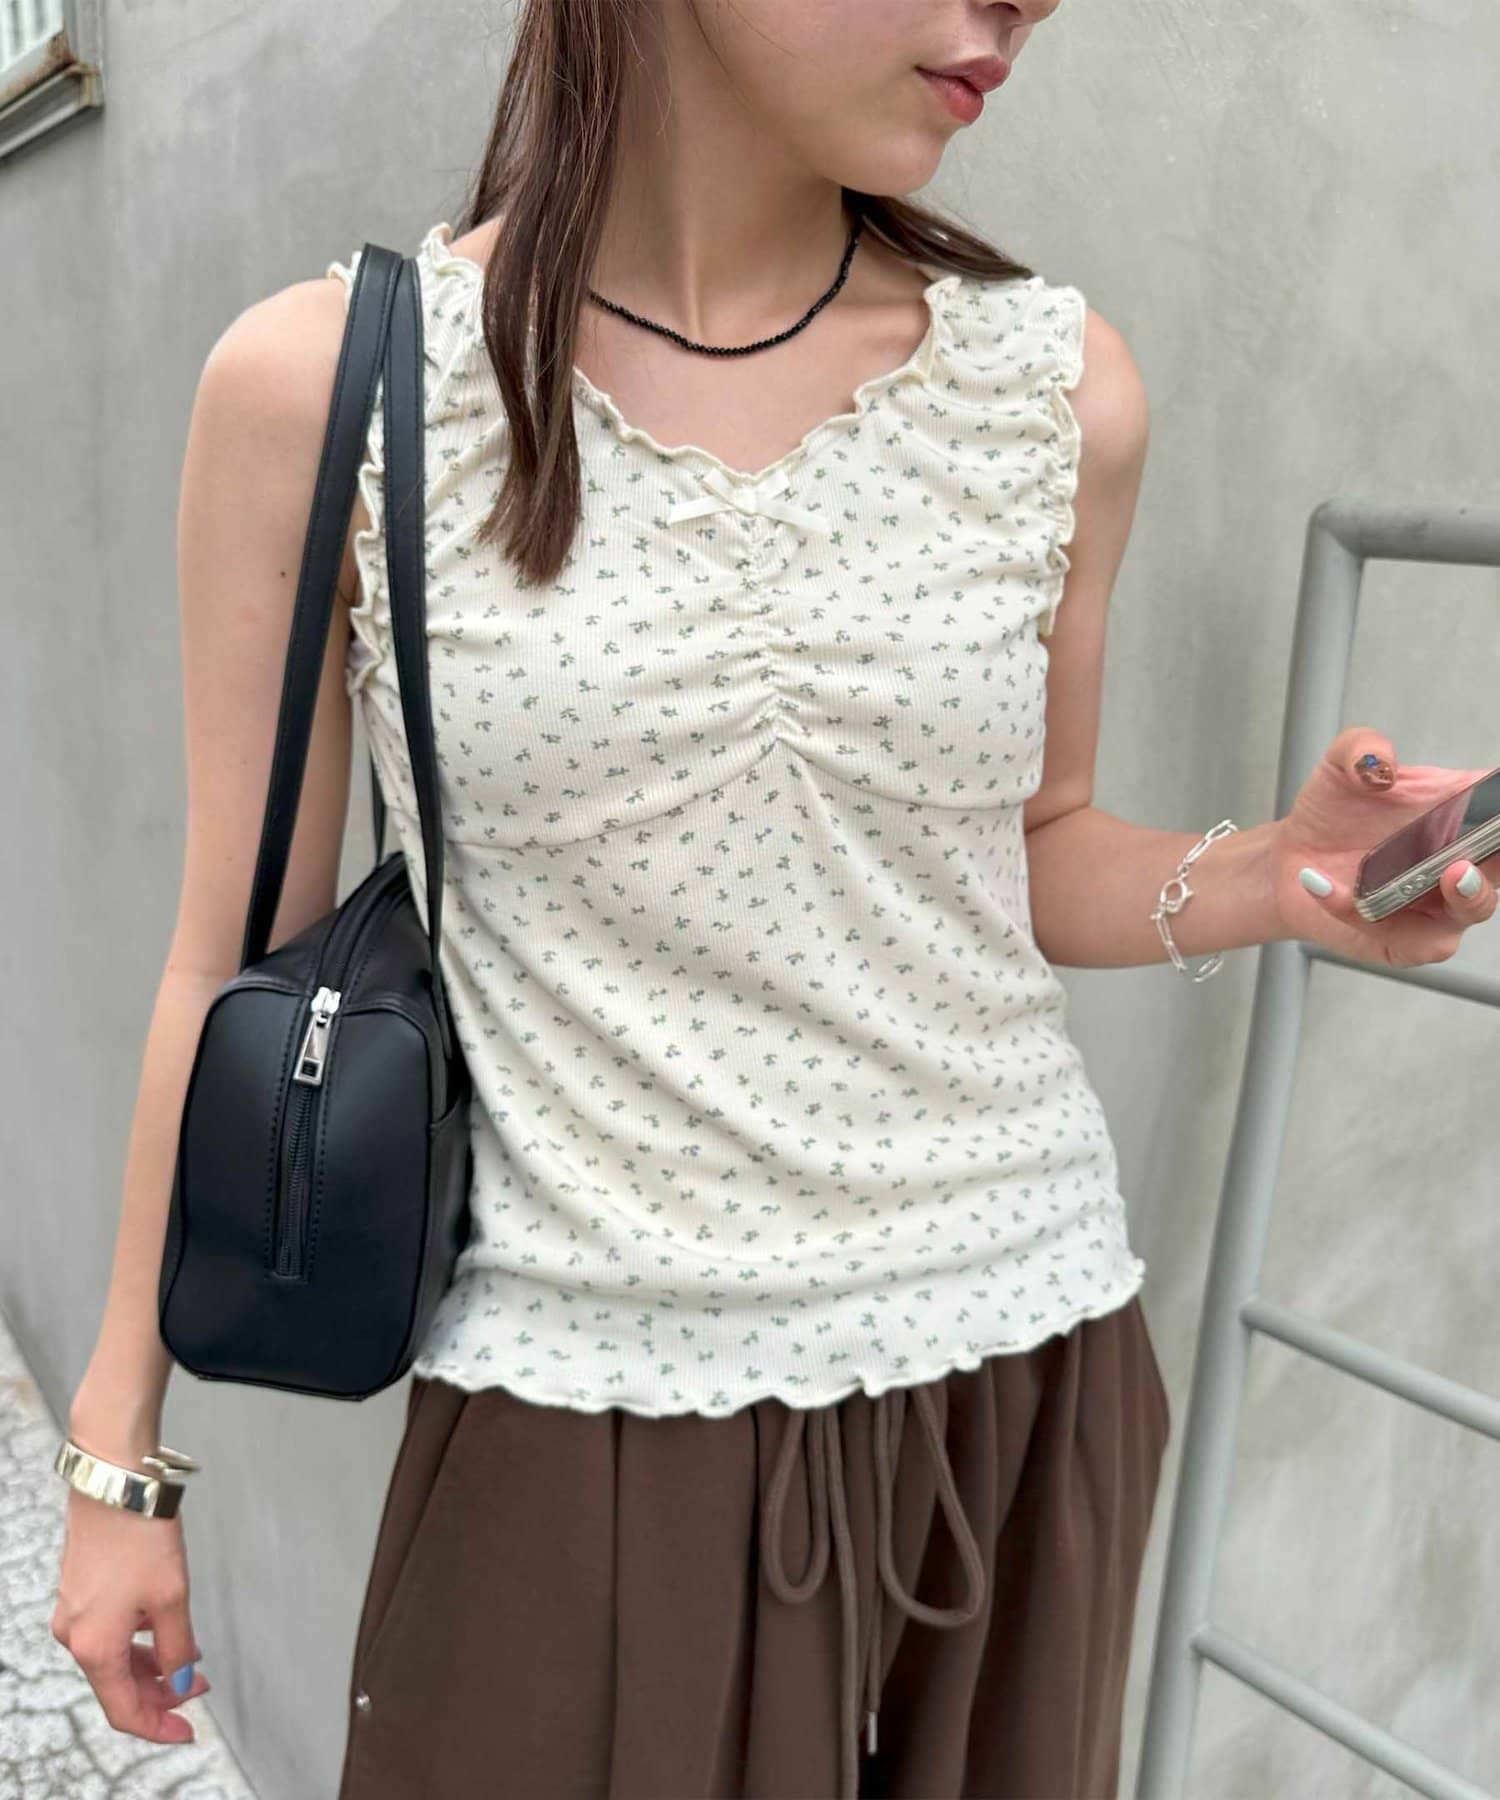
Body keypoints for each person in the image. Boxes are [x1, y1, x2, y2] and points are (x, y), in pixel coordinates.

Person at [49, 1, 1498, 1795]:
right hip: (584, 1407)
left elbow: (1032, 847)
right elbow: (232, 961)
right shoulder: (333, 386)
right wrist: (118, 1454)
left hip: (1021, 1382)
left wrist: (1275, 874)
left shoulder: (1053, 389)